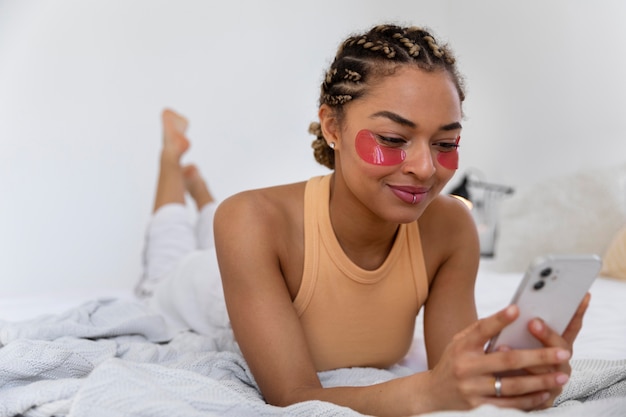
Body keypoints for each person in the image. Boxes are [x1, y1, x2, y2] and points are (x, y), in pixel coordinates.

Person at [139, 24, 589, 417]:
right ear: (332, 128)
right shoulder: (250, 221)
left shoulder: (450, 227)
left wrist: (513, 381)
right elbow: (293, 398)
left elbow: (450, 372)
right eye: (394, 138)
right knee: (164, 265)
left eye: (445, 143)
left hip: (251, 251)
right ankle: (172, 160)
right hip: (201, 287)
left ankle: (200, 192)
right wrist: (427, 394)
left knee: (209, 223)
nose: (426, 168)